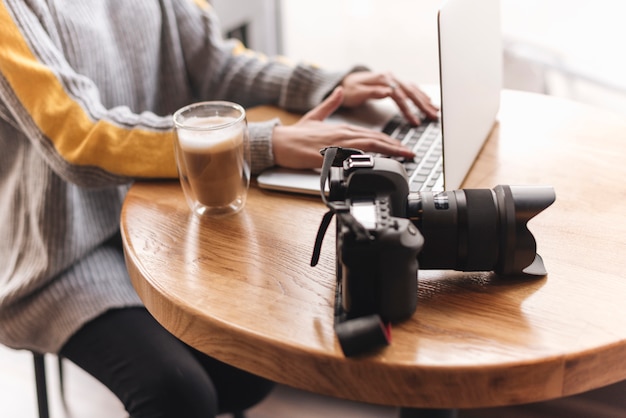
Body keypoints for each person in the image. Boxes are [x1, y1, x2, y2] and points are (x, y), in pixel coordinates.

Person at [0, 1, 438, 417]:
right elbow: (82, 139)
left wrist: (329, 85)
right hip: (58, 257)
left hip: (159, 214)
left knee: (250, 364)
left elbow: (217, 63)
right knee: (176, 395)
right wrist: (262, 143)